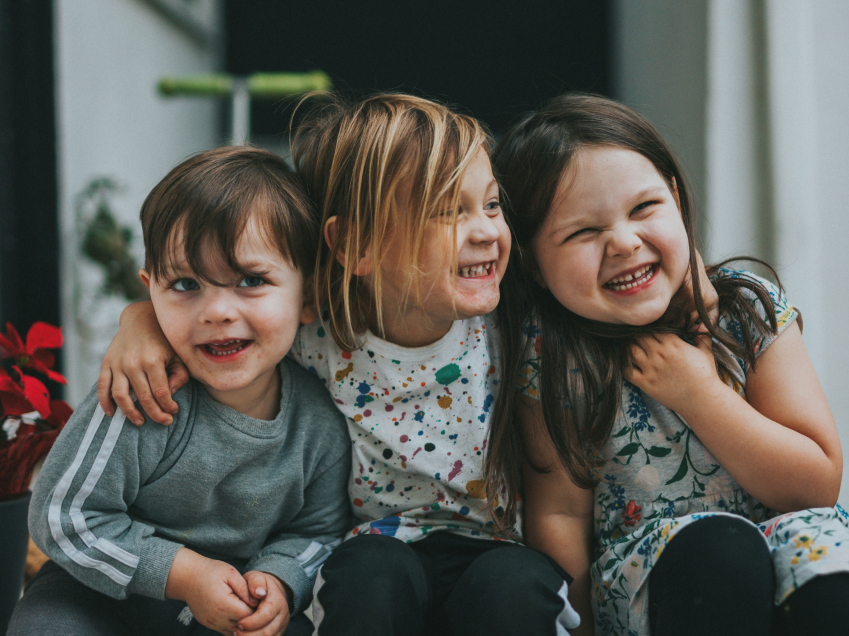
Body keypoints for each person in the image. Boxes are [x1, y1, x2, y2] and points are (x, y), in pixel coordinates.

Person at [92, 94, 582, 636]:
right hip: (379, 548)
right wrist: (141, 322)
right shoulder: (323, 333)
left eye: (491, 205)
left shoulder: (514, 325)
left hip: (497, 548)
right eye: (448, 211)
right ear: (355, 244)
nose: (487, 230)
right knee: (369, 579)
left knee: (515, 588)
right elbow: (236, 320)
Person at [490, 92, 849, 636]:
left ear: (677, 201)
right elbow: (559, 516)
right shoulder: (554, 357)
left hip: (781, 552)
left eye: (643, 208)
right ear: (533, 265)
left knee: (831, 564)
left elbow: (815, 487)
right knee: (721, 552)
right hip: (654, 577)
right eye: (583, 233)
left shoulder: (747, 311)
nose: (624, 242)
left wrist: (699, 394)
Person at [8, 146, 352, 636]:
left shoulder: (318, 422)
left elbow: (318, 531)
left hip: (232, 608)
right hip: (102, 595)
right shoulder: (142, 395)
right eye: (186, 284)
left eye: (251, 280)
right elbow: (63, 515)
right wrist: (183, 574)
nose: (216, 311)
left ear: (310, 295)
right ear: (150, 291)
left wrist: (278, 577)